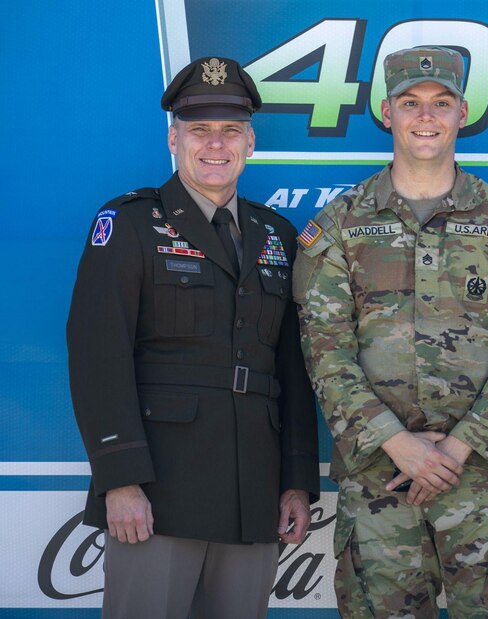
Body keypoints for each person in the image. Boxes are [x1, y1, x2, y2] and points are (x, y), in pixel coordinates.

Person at [293, 46, 488, 617]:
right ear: (387, 113)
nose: (426, 116)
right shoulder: (340, 225)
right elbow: (326, 352)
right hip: (379, 484)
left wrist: (457, 448)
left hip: (482, 486)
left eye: (441, 102)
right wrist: (399, 444)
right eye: (410, 102)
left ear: (462, 112)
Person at [66, 56, 319, 619]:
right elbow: (96, 355)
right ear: (174, 139)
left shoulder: (276, 235)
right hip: (159, 494)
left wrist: (296, 480)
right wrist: (121, 481)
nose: (216, 145)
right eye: (200, 131)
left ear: (250, 141)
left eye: (230, 131)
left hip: (253, 495)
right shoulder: (130, 223)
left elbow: (293, 368)